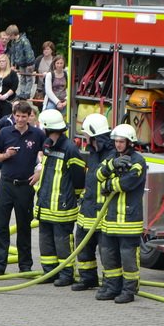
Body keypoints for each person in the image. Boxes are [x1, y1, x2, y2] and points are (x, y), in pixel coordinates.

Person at [0, 101, 46, 276]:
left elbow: (45, 155)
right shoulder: (5, 132)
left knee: (24, 226)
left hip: (25, 186)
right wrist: (6, 155)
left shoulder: (37, 134)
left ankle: (25, 264)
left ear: (29, 116)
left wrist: (40, 172)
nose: (20, 119)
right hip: (6, 184)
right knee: (1, 225)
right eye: (17, 116)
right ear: (13, 115)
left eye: (24, 116)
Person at [94, 124, 148, 304]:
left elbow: (128, 182)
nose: (118, 145)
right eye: (116, 141)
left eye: (121, 141)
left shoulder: (138, 161)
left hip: (128, 220)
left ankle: (128, 290)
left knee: (128, 259)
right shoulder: (111, 158)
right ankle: (111, 287)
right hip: (110, 220)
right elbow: (98, 175)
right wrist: (111, 165)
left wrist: (109, 185)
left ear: (130, 142)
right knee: (108, 256)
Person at [34, 110, 85, 286]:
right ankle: (49, 272)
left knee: (62, 241)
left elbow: (79, 178)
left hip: (62, 205)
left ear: (47, 128)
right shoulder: (48, 145)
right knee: (45, 240)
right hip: (46, 203)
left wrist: (73, 197)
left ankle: (66, 274)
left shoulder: (69, 148)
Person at [72, 113, 116, 292]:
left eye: (87, 135)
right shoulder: (94, 152)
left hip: (103, 213)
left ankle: (110, 284)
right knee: (83, 247)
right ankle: (88, 279)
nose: (86, 138)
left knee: (107, 252)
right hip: (88, 210)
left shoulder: (112, 155)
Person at [5, 24, 36, 100]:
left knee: (28, 78)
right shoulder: (13, 42)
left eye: (9, 35)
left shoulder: (24, 40)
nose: (8, 37)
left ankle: (27, 93)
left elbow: (28, 51)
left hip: (29, 64)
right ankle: (22, 92)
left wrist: (29, 63)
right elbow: (13, 53)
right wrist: (12, 64)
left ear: (12, 34)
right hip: (21, 64)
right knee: (22, 78)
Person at [0, 54, 18, 120]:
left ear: (7, 62)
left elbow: (14, 87)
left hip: (7, 101)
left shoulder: (12, 73)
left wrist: (6, 95)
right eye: (0, 61)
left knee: (5, 119)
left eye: (3, 61)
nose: (1, 63)